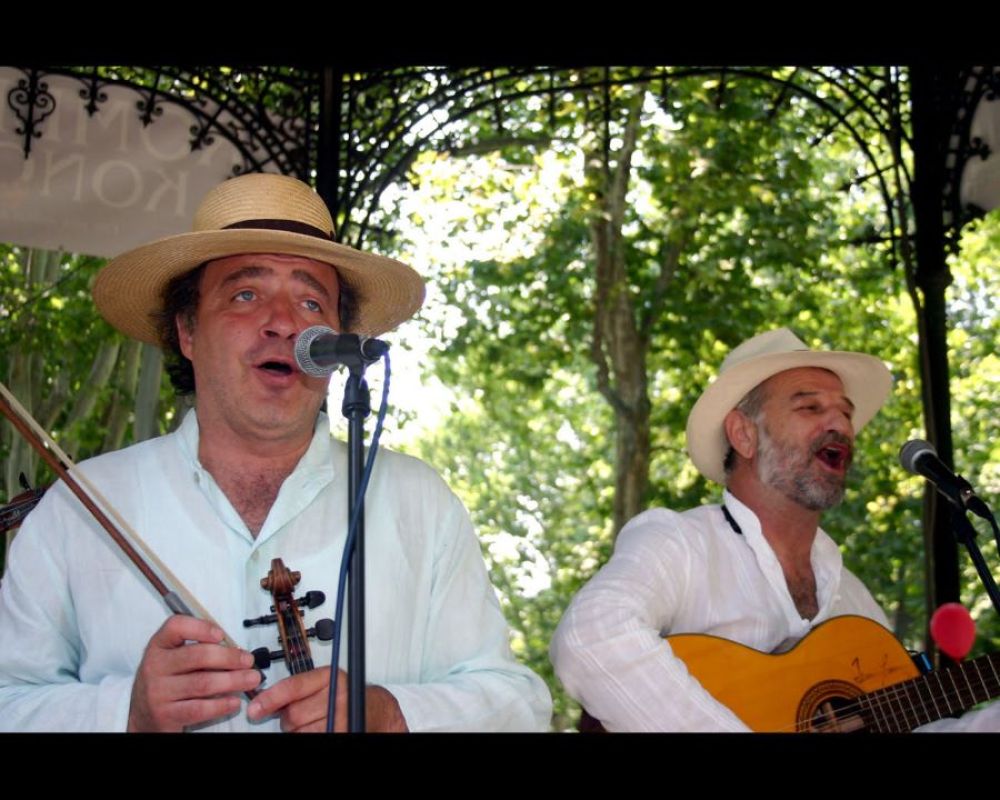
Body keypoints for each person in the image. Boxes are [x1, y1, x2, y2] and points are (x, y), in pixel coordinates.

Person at [0, 173, 551, 732]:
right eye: (246, 294)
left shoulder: (416, 501)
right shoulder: (83, 505)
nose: (284, 322)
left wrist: (388, 714)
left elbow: (517, 704)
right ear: (187, 331)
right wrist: (126, 712)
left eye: (311, 301)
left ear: (334, 342)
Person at [550, 328, 999, 732]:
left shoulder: (852, 599)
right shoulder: (680, 544)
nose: (841, 425)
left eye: (845, 412)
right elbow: (591, 635)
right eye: (810, 407)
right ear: (744, 435)